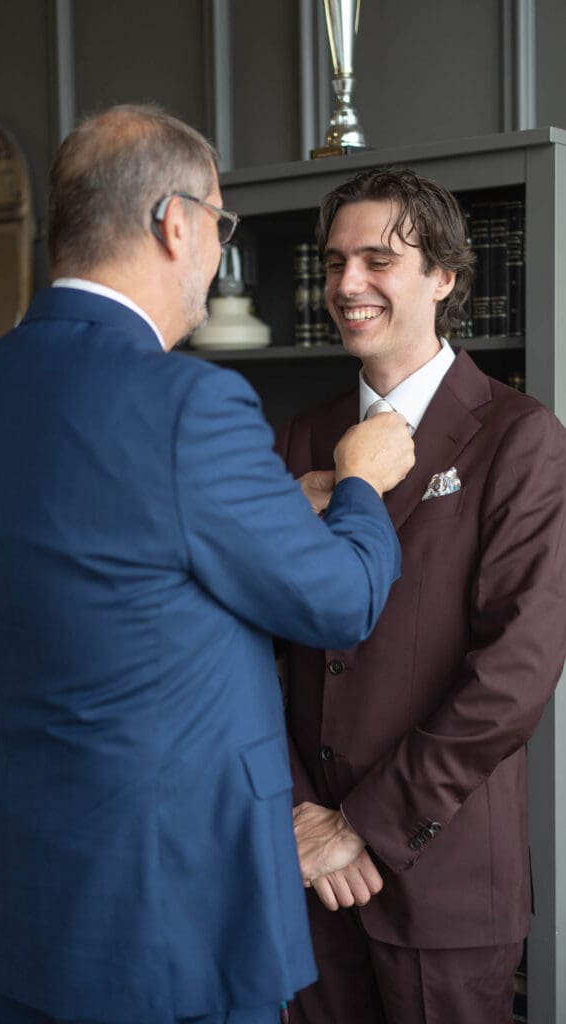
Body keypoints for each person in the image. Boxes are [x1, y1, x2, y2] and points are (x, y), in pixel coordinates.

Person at [0, 106, 415, 1024]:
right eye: (221, 227)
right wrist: (358, 483)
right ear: (175, 223)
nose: (216, 253)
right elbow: (342, 601)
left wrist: (271, 509)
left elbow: (108, 548)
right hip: (165, 918)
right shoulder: (187, 399)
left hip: (17, 898)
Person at [276, 165, 566, 1024]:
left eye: (377, 260)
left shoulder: (521, 436)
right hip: (306, 872)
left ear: (444, 276)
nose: (347, 286)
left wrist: (360, 824)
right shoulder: (301, 433)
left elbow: (516, 672)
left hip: (438, 878)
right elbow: (261, 639)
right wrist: (298, 817)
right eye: (333, 263)